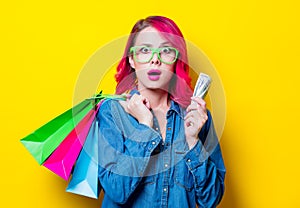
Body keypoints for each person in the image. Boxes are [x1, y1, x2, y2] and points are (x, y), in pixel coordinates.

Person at [97, 16, 226, 208]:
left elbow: (211, 199)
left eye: (166, 51)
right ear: (132, 59)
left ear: (176, 60)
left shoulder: (197, 117)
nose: (155, 59)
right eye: (144, 50)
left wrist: (193, 141)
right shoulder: (113, 112)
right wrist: (144, 126)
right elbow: (117, 190)